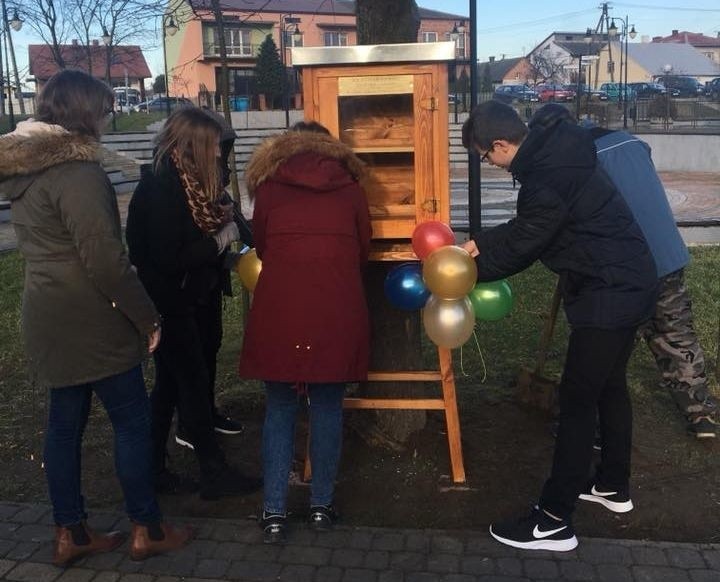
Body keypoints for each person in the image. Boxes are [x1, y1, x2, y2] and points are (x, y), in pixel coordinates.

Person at [0, 70, 192, 566]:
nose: (109, 118)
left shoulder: (25, 172)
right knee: (131, 421)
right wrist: (148, 318)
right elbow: (106, 261)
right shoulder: (78, 174)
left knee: (62, 425)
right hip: (91, 315)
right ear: (86, 112)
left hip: (46, 311)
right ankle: (146, 527)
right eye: (105, 109)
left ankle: (71, 532)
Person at [461, 101, 658, 551]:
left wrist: (465, 273)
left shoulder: (545, 178)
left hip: (609, 292)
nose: (489, 165)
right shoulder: (555, 154)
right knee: (609, 387)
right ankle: (612, 486)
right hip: (625, 281)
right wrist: (480, 243)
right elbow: (532, 225)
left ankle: (552, 521)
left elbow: (526, 245)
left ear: (500, 145)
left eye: (486, 157)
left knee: (576, 401)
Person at [529, 103, 718, 439]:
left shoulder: (574, 161)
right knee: (676, 333)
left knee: (605, 346)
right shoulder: (629, 142)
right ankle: (701, 413)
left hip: (622, 266)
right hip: (666, 253)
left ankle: (599, 423)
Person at [239, 121, 372, 544]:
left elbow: (261, 246)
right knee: (328, 405)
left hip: (281, 309)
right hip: (335, 306)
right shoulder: (350, 187)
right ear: (330, 149)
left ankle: (274, 511)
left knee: (279, 408)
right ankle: (320, 506)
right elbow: (363, 247)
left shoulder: (270, 188)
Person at [126, 107, 262, 499]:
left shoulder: (190, 182)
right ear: (194, 145)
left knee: (171, 386)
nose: (220, 155)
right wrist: (224, 237)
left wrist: (225, 234)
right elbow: (169, 257)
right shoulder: (161, 186)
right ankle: (212, 472)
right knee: (190, 382)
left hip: (189, 295)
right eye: (215, 147)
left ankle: (152, 468)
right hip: (169, 301)